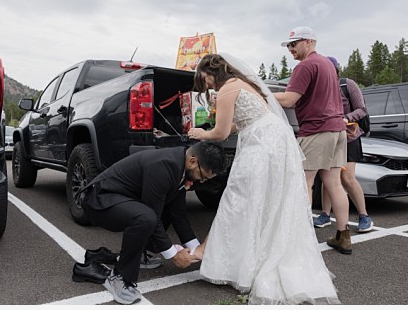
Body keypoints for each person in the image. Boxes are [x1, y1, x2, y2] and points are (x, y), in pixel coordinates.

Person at [186, 54, 338, 304]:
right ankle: (251, 257)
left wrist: (201, 132)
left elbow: (221, 133)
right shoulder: (243, 84)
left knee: (239, 198)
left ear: (210, 71)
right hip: (276, 141)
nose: (207, 85)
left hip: (261, 145)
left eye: (205, 79)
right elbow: (242, 122)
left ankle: (227, 260)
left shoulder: (227, 89)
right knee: (266, 200)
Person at [78, 141, 223, 304]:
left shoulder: (181, 167)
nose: (202, 181)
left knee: (164, 209)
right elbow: (152, 214)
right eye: (202, 176)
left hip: (121, 199)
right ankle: (119, 277)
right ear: (192, 161)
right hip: (99, 200)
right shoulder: (163, 166)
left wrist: (197, 251)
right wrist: (173, 255)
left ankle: (138, 255)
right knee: (145, 217)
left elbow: (179, 215)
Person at [273, 26, 353, 254]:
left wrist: (262, 93)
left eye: (294, 44)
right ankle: (343, 236)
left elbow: (289, 100)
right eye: (288, 45)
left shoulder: (305, 66)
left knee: (304, 182)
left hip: (316, 130)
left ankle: (301, 238)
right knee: (335, 183)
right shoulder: (328, 64)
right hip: (337, 130)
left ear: (308, 41)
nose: (290, 49)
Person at [313, 56, 374, 234]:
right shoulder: (319, 90)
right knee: (328, 178)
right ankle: (325, 214)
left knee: (347, 178)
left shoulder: (347, 85)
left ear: (335, 70)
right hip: (328, 138)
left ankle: (364, 216)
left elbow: (362, 109)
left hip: (349, 138)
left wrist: (347, 118)